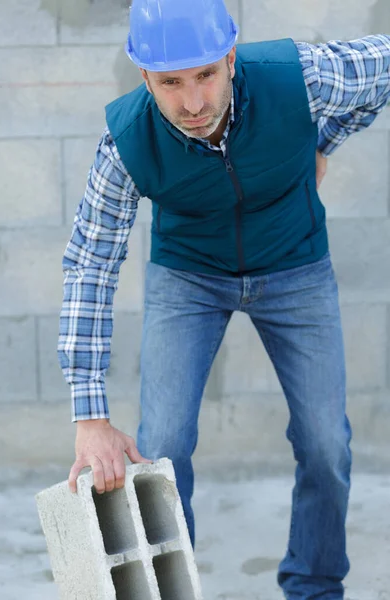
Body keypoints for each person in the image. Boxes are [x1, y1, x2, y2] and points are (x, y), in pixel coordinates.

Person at [58, 0, 390, 597]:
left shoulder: (300, 77)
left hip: (295, 265)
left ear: (230, 58)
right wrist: (90, 416)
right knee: (161, 447)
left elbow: (384, 66)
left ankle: (314, 587)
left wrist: (324, 141)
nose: (193, 104)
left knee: (325, 443)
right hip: (190, 276)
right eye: (171, 83)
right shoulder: (126, 142)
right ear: (145, 78)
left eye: (207, 74)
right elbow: (90, 265)